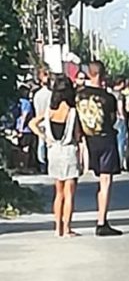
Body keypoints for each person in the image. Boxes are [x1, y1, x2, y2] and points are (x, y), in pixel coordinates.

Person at [28, 76, 83, 237]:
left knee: (58, 192)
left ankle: (57, 227)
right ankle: (67, 228)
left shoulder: (49, 112)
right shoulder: (73, 112)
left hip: (54, 152)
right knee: (69, 193)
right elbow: (78, 135)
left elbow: (32, 123)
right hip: (69, 151)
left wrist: (45, 137)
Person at [76, 60, 123, 236]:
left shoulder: (78, 95)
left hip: (88, 140)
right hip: (105, 139)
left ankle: (65, 222)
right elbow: (112, 119)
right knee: (105, 181)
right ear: (103, 75)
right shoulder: (108, 97)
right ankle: (102, 221)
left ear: (89, 73)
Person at [33, 68, 52, 174]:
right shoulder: (51, 94)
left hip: (38, 121)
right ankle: (48, 163)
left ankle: (42, 164)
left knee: (41, 143)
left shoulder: (37, 95)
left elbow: (36, 108)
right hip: (48, 121)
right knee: (49, 143)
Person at [14, 85, 36, 172]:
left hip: (17, 127)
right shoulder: (26, 103)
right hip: (26, 129)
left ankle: (20, 165)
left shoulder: (18, 102)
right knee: (25, 148)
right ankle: (24, 166)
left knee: (20, 148)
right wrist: (21, 128)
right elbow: (25, 115)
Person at [110, 77, 128, 170]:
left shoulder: (109, 93)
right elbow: (120, 107)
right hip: (119, 119)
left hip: (111, 119)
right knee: (121, 142)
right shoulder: (120, 95)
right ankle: (120, 163)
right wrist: (123, 116)